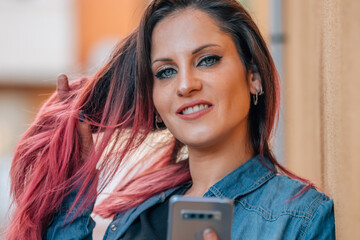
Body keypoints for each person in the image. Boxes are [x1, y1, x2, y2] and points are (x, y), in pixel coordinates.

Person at [7, 0, 335, 239]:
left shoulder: (301, 219)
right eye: (166, 71)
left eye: (207, 60)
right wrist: (74, 184)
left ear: (254, 77)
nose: (185, 84)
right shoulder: (136, 216)